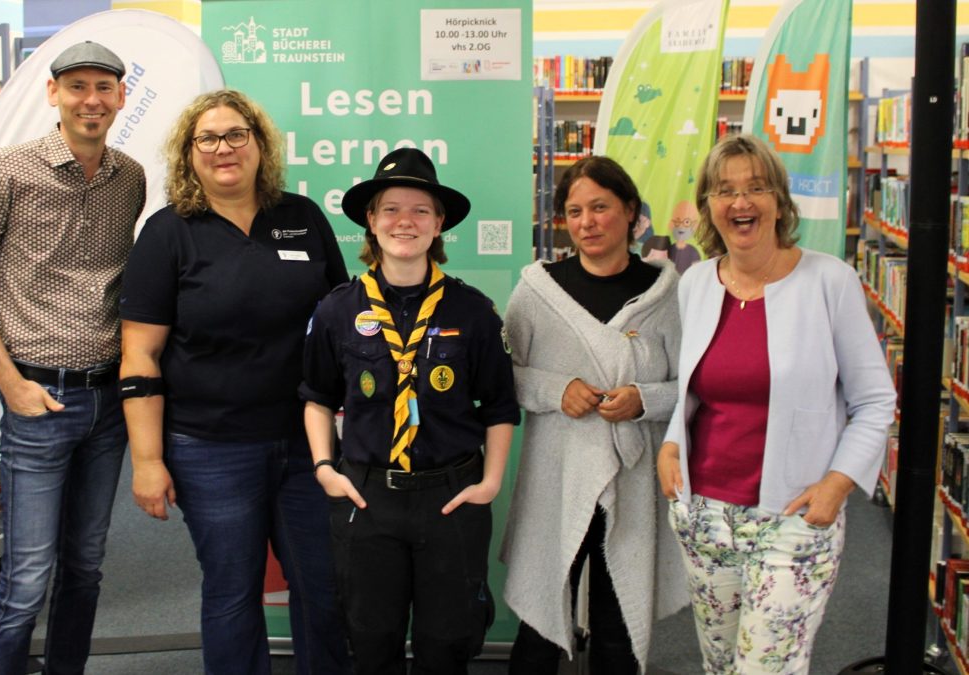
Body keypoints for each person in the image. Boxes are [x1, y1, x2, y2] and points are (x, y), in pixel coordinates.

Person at [117, 89, 350, 674]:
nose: (224, 148)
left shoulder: (301, 217)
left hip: (307, 445)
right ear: (189, 154)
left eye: (237, 135)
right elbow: (140, 355)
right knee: (232, 592)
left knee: (324, 587)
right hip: (210, 447)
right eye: (208, 138)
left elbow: (339, 327)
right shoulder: (169, 233)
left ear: (259, 144)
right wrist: (147, 460)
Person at [656, 134, 897, 673]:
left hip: (790, 517)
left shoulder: (828, 281)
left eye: (756, 188)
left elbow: (876, 400)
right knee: (720, 664)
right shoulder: (696, 282)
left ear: (779, 202)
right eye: (725, 191)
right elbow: (691, 387)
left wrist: (838, 486)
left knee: (766, 668)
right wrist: (672, 444)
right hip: (705, 515)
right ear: (709, 208)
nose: (740, 203)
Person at [0, 41, 146, 675]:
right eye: (78, 86)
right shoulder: (5, 170)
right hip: (37, 401)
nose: (92, 99)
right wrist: (11, 385)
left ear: (122, 96)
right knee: (28, 577)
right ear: (53, 93)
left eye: (104, 87)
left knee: (85, 568)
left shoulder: (131, 177)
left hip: (109, 402)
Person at [300, 147, 521, 674]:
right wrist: (324, 469)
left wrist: (490, 484)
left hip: (451, 497)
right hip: (367, 495)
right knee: (371, 640)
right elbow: (316, 397)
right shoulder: (337, 310)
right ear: (370, 223)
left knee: (448, 643)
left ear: (439, 223)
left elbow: (499, 406)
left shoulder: (473, 311)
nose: (405, 221)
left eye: (421, 210)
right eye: (391, 209)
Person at [500, 155, 688, 674]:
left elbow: (691, 387)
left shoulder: (665, 294)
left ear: (630, 211)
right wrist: (556, 390)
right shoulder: (538, 291)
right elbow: (502, 376)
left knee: (619, 621)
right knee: (540, 622)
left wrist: (644, 399)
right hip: (555, 476)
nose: (587, 222)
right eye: (575, 211)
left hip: (633, 479)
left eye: (601, 207)